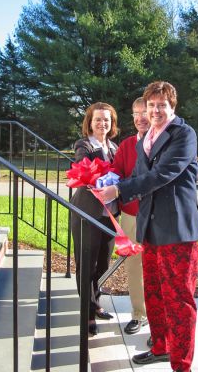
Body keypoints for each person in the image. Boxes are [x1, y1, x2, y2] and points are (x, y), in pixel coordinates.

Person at [97, 81, 198, 372]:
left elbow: (163, 174)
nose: (155, 110)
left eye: (162, 105)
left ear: (172, 107)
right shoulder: (146, 138)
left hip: (177, 230)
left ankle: (181, 365)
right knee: (154, 293)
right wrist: (108, 183)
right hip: (149, 228)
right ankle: (160, 347)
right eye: (151, 105)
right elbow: (134, 176)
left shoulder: (183, 134)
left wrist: (119, 190)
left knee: (179, 299)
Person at [70, 102, 119, 336]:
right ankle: (87, 312)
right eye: (97, 119)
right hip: (87, 214)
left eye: (106, 120)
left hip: (110, 215)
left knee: (103, 264)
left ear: (112, 123)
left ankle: (95, 300)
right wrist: (103, 154)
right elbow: (83, 165)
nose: (102, 124)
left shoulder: (115, 147)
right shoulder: (84, 144)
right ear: (89, 122)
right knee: (86, 264)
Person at [111, 97, 150, 334]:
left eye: (144, 112)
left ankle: (159, 318)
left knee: (157, 268)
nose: (139, 118)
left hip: (158, 217)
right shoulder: (126, 145)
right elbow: (116, 171)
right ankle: (139, 314)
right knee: (134, 267)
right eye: (135, 113)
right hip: (131, 215)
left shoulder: (163, 144)